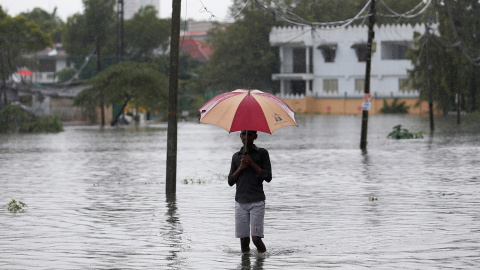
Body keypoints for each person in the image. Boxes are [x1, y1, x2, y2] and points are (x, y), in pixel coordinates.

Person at [228, 130, 272, 253]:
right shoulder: (236, 157)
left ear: (255, 136)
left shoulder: (262, 153)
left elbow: (268, 177)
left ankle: (261, 263)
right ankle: (245, 265)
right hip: (240, 202)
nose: (246, 137)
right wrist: (241, 168)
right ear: (240, 136)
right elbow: (230, 181)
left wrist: (252, 163)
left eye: (250, 134)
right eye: (243, 134)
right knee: (243, 242)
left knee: (256, 239)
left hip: (257, 202)